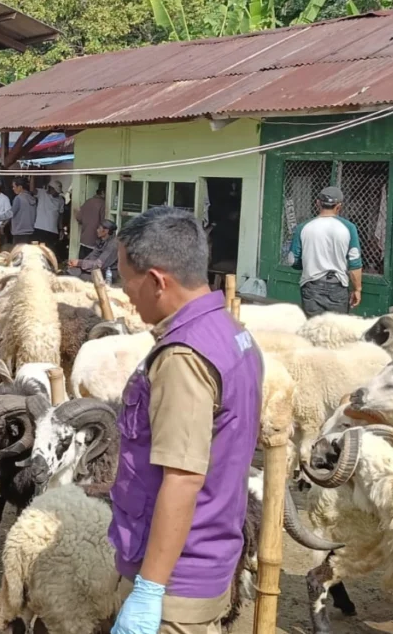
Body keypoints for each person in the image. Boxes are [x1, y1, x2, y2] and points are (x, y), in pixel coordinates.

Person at [108, 206, 262, 634]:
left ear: (158, 281)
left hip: (176, 580)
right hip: (211, 555)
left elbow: (183, 477)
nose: (125, 294)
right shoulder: (231, 334)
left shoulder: (183, 358)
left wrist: (150, 589)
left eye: (127, 281)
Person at [289, 185, 363, 316]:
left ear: (317, 203)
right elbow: (354, 263)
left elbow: (293, 260)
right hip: (338, 288)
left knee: (313, 331)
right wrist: (357, 289)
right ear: (339, 206)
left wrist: (306, 264)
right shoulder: (349, 228)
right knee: (337, 331)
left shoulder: (303, 227)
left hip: (311, 286)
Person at [77, 183, 107, 259]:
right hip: (95, 241)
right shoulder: (103, 204)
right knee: (91, 266)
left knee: (81, 263)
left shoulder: (88, 201)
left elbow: (79, 218)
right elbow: (104, 223)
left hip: (84, 239)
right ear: (103, 192)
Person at [35, 181, 65, 249]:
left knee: (49, 251)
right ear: (50, 188)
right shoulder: (41, 193)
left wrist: (61, 229)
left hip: (53, 230)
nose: (57, 193)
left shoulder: (61, 200)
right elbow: (32, 189)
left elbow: (61, 216)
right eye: (56, 191)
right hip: (39, 228)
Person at [9, 179, 38, 246]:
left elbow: (10, 214)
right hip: (30, 232)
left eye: (14, 187)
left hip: (19, 232)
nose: (13, 189)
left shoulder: (18, 198)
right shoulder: (33, 198)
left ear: (20, 187)